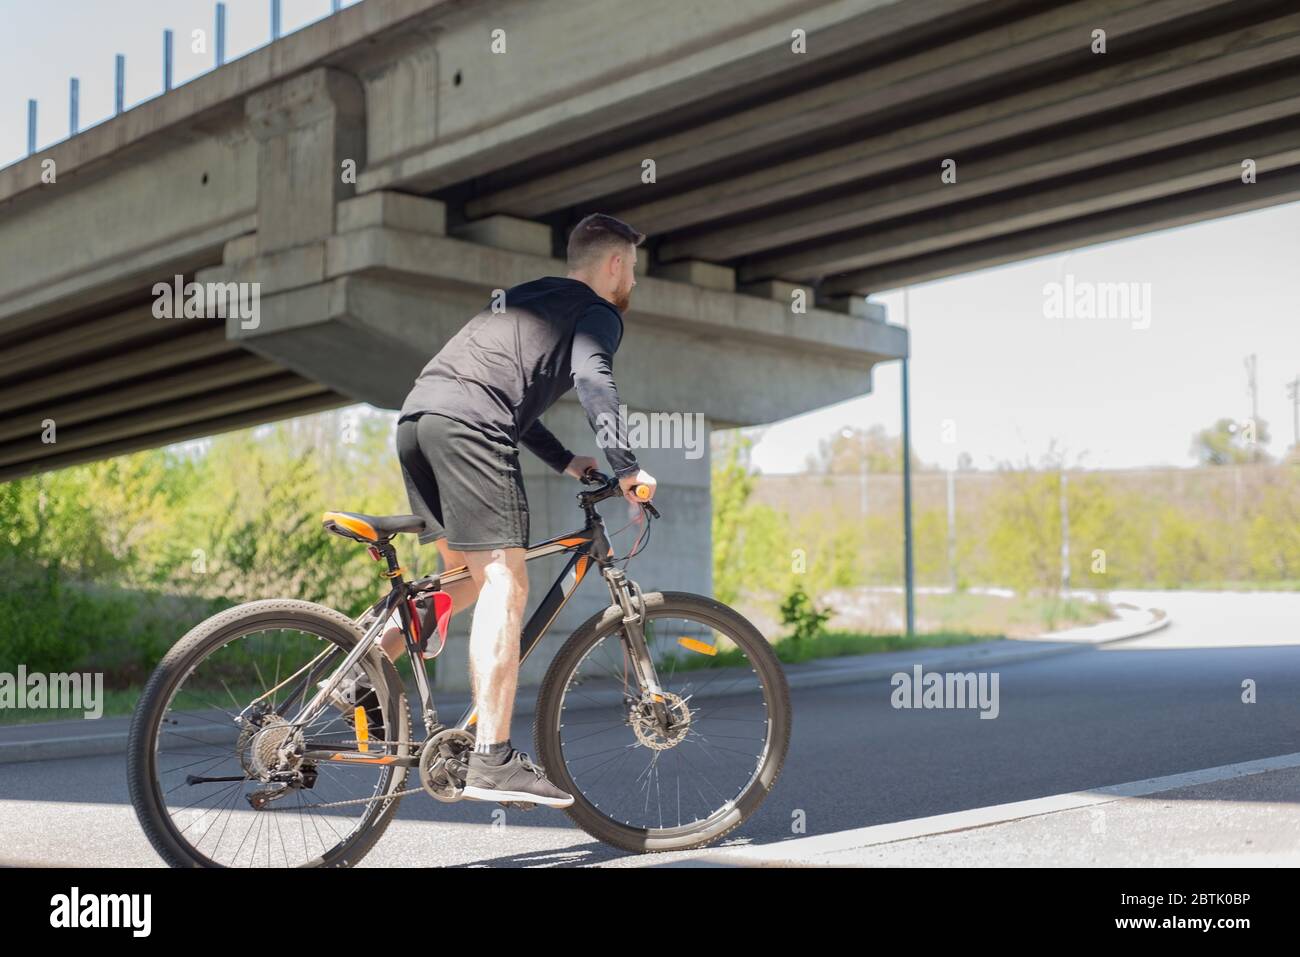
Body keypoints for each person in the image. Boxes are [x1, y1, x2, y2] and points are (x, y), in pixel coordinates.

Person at [388, 212, 656, 808]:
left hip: (418, 420)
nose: (632, 281)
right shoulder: (597, 312)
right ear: (614, 265)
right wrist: (628, 467)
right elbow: (593, 378)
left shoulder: (534, 298)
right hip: (469, 428)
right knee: (507, 583)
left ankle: (357, 669)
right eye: (632, 269)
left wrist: (565, 461)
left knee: (463, 583)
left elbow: (509, 395)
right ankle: (493, 759)